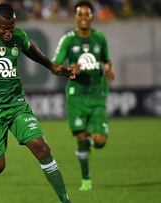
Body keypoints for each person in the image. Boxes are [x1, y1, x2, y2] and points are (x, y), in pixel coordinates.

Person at [0, 3, 79, 203]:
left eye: (11, 28)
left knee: (42, 149)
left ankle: (66, 200)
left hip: (17, 106)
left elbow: (30, 48)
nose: (8, 33)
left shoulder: (18, 36)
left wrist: (52, 67)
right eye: (3, 28)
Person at [52, 1, 115, 191]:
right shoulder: (68, 40)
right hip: (76, 96)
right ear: (75, 17)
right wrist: (70, 69)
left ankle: (91, 141)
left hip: (96, 94)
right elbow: (55, 67)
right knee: (81, 137)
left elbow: (106, 60)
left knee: (100, 142)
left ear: (92, 17)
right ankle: (86, 179)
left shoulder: (99, 38)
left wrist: (109, 69)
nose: (83, 18)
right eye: (80, 14)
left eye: (87, 14)